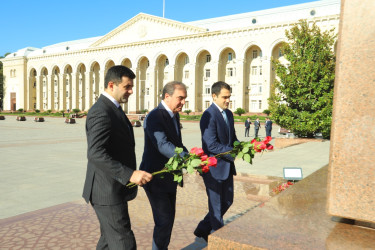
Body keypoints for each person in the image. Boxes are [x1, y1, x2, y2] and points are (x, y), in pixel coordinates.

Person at [82, 65, 152, 250]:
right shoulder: (101, 111)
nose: (130, 91)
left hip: (111, 187)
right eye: (127, 87)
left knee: (108, 240)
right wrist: (130, 174)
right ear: (111, 85)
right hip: (105, 190)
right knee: (123, 242)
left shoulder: (113, 108)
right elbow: (95, 153)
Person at [140, 81, 188, 250]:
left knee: (168, 219)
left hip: (169, 177)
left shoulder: (174, 115)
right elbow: (162, 144)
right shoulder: (155, 116)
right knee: (164, 220)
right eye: (180, 98)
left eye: (184, 99)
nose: (183, 103)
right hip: (155, 176)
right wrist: (186, 158)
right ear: (167, 96)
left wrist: (193, 155)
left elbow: (177, 143)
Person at [194, 81, 238, 242]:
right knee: (216, 206)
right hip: (213, 168)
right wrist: (231, 153)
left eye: (229, 97)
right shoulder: (208, 115)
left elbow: (232, 138)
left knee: (228, 200)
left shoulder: (229, 114)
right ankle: (220, 239)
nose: (228, 100)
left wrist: (242, 147)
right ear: (214, 96)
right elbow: (210, 144)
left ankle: (202, 228)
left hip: (227, 166)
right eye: (224, 97)